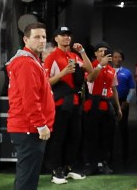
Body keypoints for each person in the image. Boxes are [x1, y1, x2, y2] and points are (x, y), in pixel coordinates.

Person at [7, 22, 55, 190]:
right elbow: (29, 98)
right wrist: (41, 124)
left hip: (27, 127)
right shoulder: (27, 63)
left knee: (27, 177)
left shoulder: (31, 62)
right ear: (25, 39)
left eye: (43, 37)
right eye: (36, 37)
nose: (41, 41)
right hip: (29, 128)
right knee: (27, 179)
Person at [44, 26, 95, 184]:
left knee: (75, 137)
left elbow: (90, 69)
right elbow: (45, 83)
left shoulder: (73, 56)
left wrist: (83, 52)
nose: (66, 38)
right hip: (60, 103)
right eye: (63, 35)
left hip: (75, 103)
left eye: (68, 35)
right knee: (58, 138)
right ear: (56, 38)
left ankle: (68, 167)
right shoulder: (52, 57)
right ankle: (56, 170)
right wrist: (63, 73)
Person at [83, 41, 122, 176]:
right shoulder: (91, 66)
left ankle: (103, 162)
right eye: (100, 51)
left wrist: (118, 107)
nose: (102, 53)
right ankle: (91, 164)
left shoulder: (111, 70)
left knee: (107, 135)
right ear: (95, 53)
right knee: (92, 135)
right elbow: (90, 78)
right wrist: (100, 65)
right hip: (94, 102)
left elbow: (113, 88)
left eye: (105, 51)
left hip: (107, 102)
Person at [111, 49, 135, 165]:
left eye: (119, 57)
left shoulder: (127, 72)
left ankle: (125, 156)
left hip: (123, 102)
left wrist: (127, 101)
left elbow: (132, 88)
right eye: (115, 57)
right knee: (109, 130)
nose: (117, 59)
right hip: (109, 102)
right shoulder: (107, 70)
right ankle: (109, 156)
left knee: (123, 129)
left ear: (122, 59)